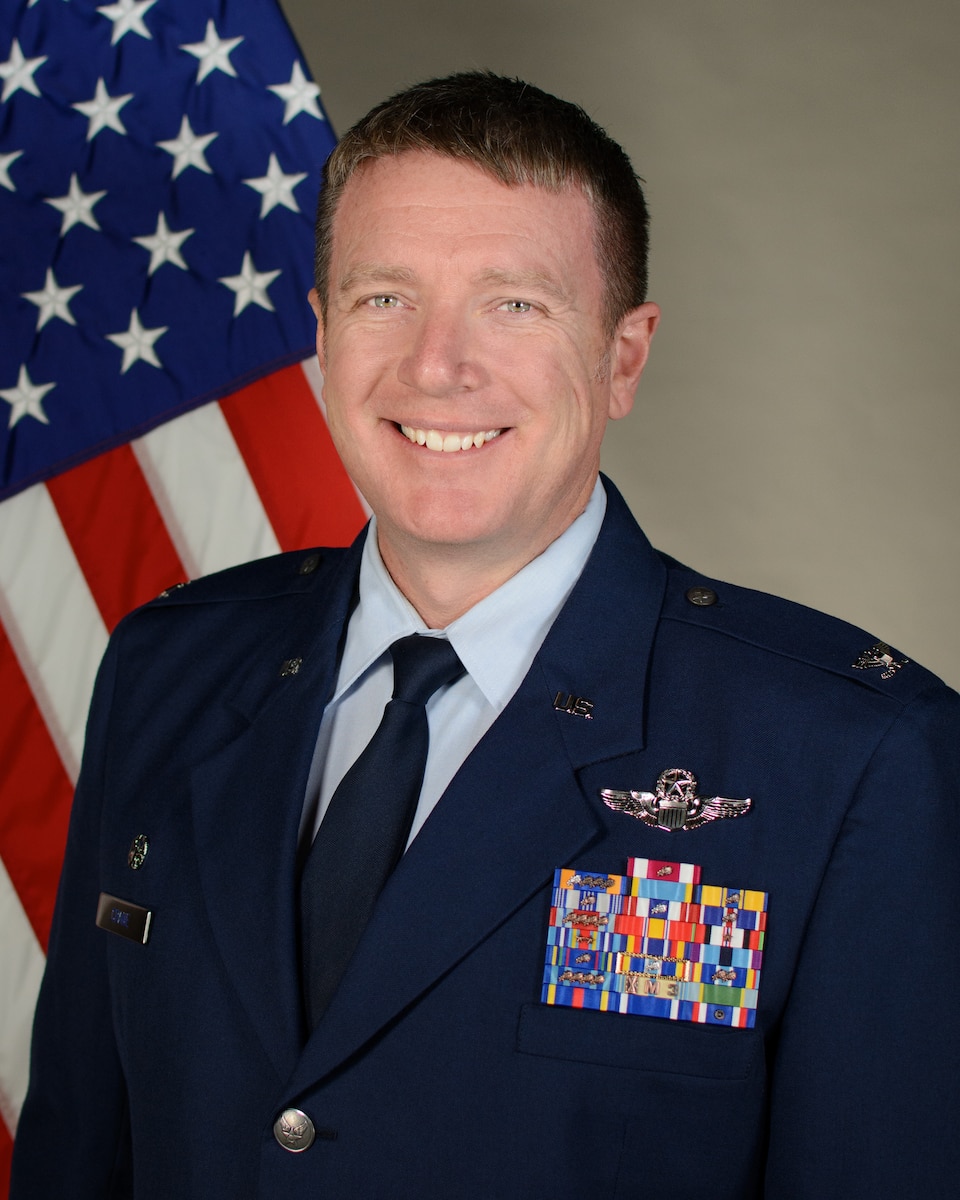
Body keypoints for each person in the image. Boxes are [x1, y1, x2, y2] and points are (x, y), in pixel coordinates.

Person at [12, 72, 959, 1199]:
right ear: (319, 335)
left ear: (622, 356)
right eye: (384, 300)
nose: (436, 366)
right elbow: (79, 1151)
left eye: (514, 303)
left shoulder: (851, 755)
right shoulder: (170, 669)